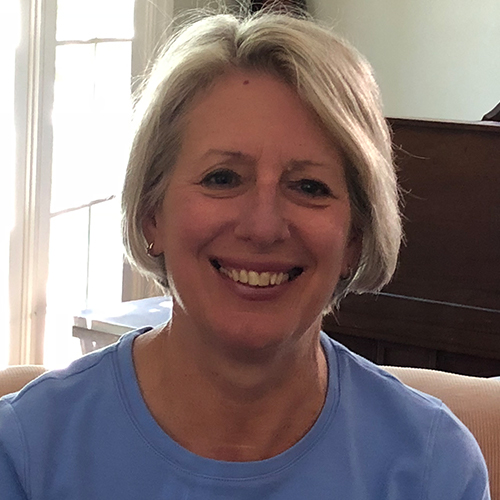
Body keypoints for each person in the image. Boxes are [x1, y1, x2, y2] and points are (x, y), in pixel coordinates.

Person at [0, 9, 490, 499]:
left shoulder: (432, 467)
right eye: (222, 178)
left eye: (308, 186)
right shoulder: (26, 452)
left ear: (355, 239)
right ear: (152, 214)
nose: (263, 226)